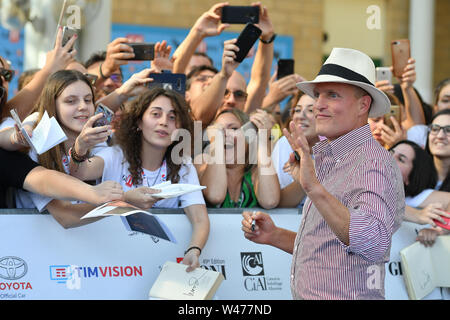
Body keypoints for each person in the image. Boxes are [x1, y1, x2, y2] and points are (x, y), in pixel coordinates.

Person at [242, 48, 405, 300]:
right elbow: (330, 248)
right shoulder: (330, 156)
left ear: (364, 104)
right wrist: (275, 236)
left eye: (332, 95)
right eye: (318, 95)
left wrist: (314, 188)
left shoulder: (371, 162)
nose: (318, 105)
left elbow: (373, 242)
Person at [67, 88, 210, 272]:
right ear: (139, 122)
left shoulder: (183, 164)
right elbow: (79, 172)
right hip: (109, 263)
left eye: (172, 117)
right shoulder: (115, 155)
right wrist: (80, 148)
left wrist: (194, 250)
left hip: (158, 265)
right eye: (155, 114)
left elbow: (200, 218)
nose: (164, 122)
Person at [0, 126, 123, 209]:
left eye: (87, 100)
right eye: (70, 101)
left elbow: (40, 177)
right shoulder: (37, 149)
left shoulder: (102, 144)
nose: (82, 107)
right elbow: (66, 215)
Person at [196, 108, 279, 209]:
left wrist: (262, 139)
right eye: (219, 130)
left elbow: (270, 201)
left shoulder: (255, 172)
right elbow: (215, 196)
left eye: (234, 128)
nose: (224, 134)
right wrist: (216, 141)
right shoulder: (202, 161)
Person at [272, 91, 320, 208]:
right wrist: (304, 178)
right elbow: (281, 203)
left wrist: (316, 170)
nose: (300, 116)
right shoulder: (284, 144)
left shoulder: (339, 147)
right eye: (297, 110)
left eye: (310, 110)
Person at [388, 140, 450, 226]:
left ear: (410, 178)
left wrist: (439, 231)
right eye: (390, 153)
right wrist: (417, 214)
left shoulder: (412, 198)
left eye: (401, 159)